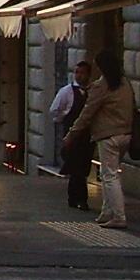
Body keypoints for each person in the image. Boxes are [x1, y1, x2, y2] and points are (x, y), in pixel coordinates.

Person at [67, 48, 136, 229]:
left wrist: (72, 134)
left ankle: (119, 216)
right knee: (109, 174)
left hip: (108, 136)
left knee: (109, 176)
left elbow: (87, 113)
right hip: (125, 134)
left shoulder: (102, 86)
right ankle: (107, 212)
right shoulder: (125, 83)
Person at [52, 60, 94, 209]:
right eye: (77, 72)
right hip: (72, 135)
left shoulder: (93, 91)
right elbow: (54, 110)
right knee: (76, 167)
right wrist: (64, 118)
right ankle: (80, 199)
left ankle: (74, 198)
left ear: (88, 74)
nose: (79, 76)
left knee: (83, 167)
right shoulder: (67, 91)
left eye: (82, 73)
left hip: (88, 135)